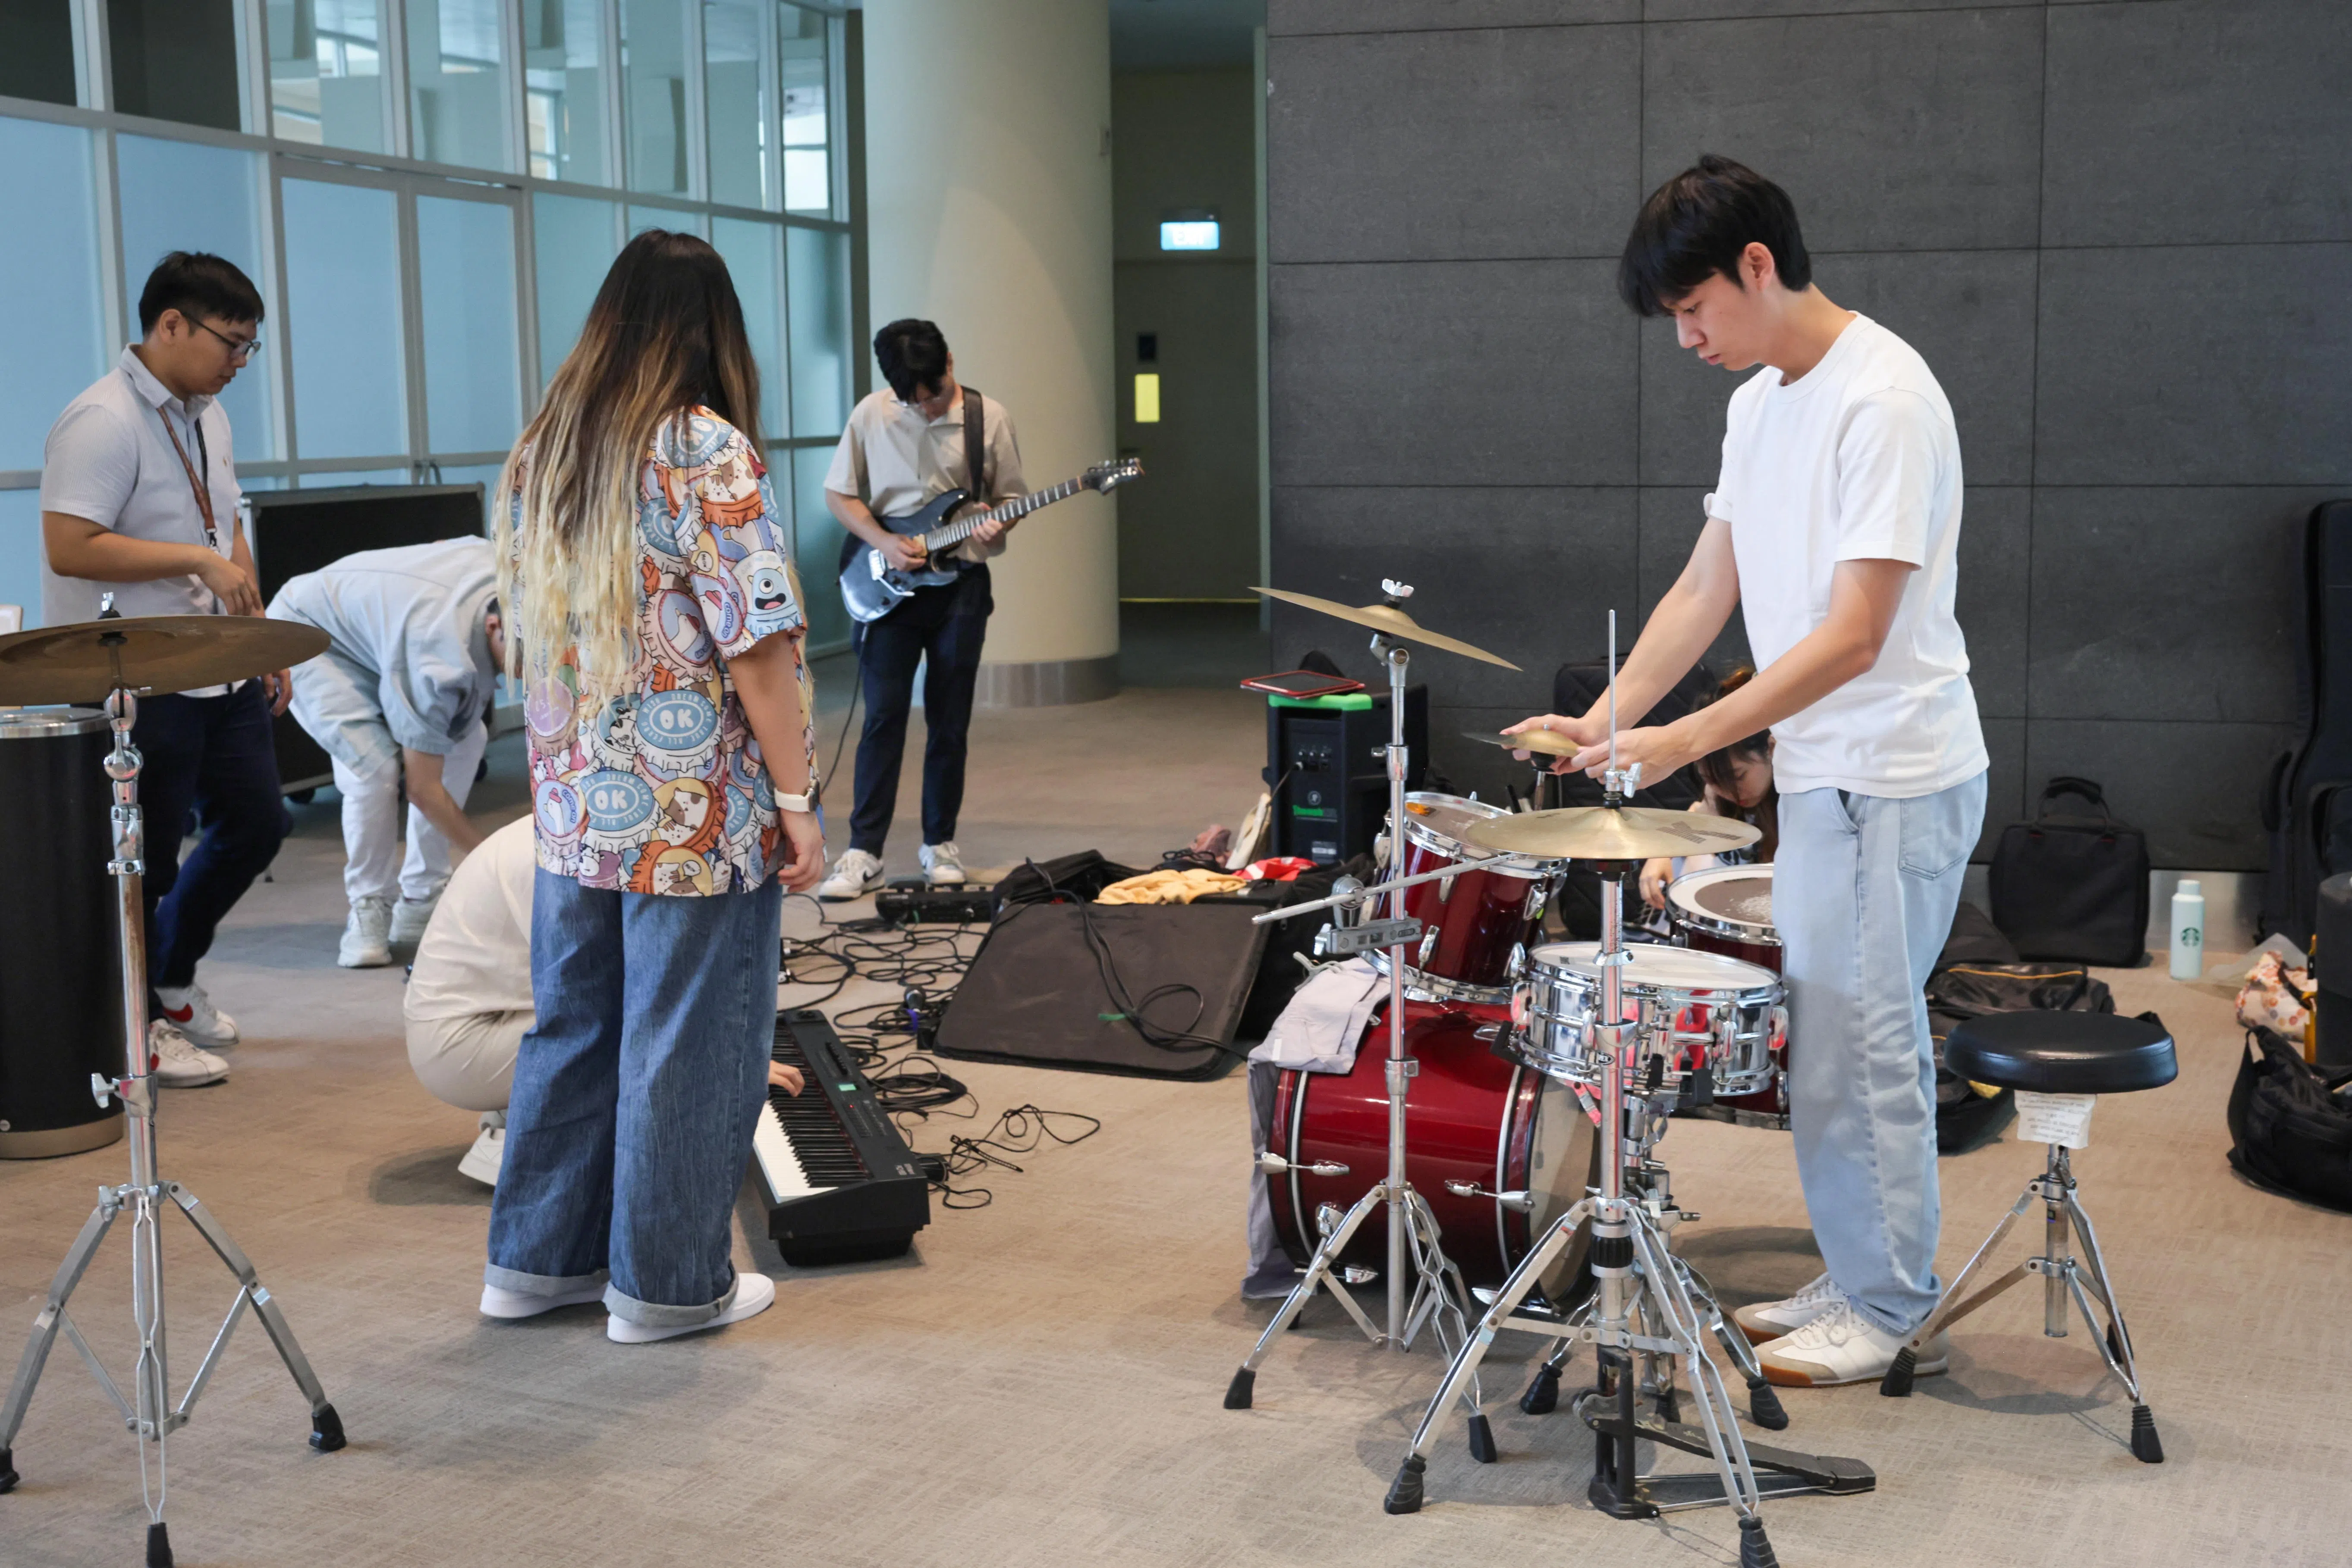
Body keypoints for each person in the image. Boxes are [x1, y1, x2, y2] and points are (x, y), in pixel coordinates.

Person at [1507, 156, 1987, 1389]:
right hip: (1829, 775)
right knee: (1823, 1040)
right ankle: (1862, 1265)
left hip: (1893, 772)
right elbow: (1701, 586)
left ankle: (1888, 1307)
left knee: (1864, 1046)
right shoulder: (1761, 396)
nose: (1685, 338)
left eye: (1693, 310)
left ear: (1757, 267)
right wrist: (1602, 723)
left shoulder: (1882, 397)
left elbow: (1853, 634)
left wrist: (1681, 744)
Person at [482, 229, 826, 1344]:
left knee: (572, 1026)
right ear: (709, 327)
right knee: (690, 1040)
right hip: (693, 810)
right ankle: (669, 1286)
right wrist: (796, 799)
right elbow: (758, 648)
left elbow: (516, 628)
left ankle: (536, 1261)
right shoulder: (701, 446)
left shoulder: (548, 445)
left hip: (575, 802)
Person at [38, 251, 293, 1089]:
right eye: (231, 343)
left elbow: (229, 523)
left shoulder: (206, 414)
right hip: (137, 678)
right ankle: (133, 1022)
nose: (239, 364)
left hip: (217, 666)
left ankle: (171, 979)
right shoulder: (102, 419)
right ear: (170, 325)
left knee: (259, 821)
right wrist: (197, 559)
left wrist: (257, 635)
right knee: (141, 859)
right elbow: (69, 544)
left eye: (251, 348)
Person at [405, 816, 805, 1188]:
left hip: (486, 1023)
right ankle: (537, 1152)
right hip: (460, 1047)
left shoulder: (574, 826)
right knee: (644, 1037)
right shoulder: (559, 854)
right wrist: (721, 1057)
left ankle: (526, 1112)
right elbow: (624, 991)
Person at [816, 319, 1025, 899]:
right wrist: (884, 542)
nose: (928, 406)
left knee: (949, 721)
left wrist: (1000, 517)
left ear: (951, 363)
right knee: (882, 718)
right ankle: (864, 851)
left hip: (960, 585)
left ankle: (940, 844)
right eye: (915, 397)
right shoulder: (871, 414)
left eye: (934, 391)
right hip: (886, 586)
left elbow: (1010, 496)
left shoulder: (990, 418)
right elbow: (840, 492)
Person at [268, 537, 505, 967]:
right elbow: (422, 788)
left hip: (384, 627)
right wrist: (495, 861)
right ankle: (369, 906)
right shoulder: (439, 654)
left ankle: (421, 894)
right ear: (494, 628)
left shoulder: (517, 575)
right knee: (373, 771)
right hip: (310, 630)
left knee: (470, 739)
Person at [1638, 668, 1778, 923]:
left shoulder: (1803, 797)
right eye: (1712, 780)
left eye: (1738, 777)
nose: (1731, 793)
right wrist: (1662, 854)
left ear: (1771, 749)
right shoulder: (1719, 793)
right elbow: (1698, 817)